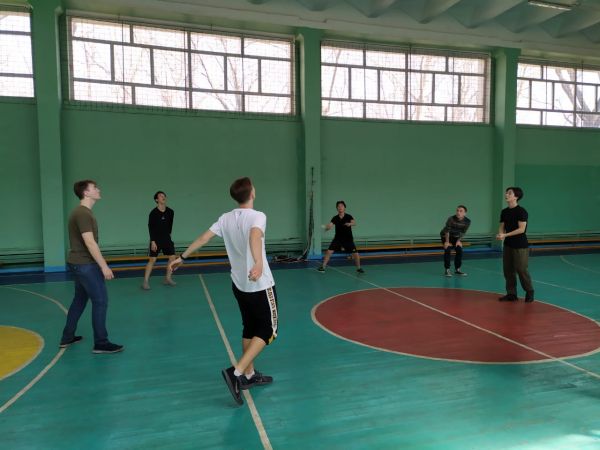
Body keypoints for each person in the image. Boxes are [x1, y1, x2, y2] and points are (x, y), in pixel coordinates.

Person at [168, 177, 277, 406]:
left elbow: (203, 238)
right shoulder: (258, 216)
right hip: (259, 284)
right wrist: (258, 263)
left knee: (249, 328)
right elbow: (254, 236)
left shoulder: (225, 218)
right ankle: (236, 372)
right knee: (268, 329)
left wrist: (182, 257)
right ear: (252, 193)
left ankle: (249, 375)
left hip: (239, 284)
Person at [59, 180, 124, 354]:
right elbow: (90, 242)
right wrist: (104, 266)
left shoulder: (81, 212)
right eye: (95, 188)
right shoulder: (83, 213)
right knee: (100, 301)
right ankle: (101, 343)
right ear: (86, 193)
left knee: (79, 300)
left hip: (78, 263)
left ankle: (67, 337)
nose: (98, 189)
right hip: (86, 265)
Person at [496, 187, 534, 302]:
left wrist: (505, 235)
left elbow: (521, 229)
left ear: (516, 196)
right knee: (508, 270)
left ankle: (529, 291)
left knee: (521, 269)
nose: (506, 194)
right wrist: (501, 234)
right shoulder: (504, 212)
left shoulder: (521, 211)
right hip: (508, 245)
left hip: (520, 245)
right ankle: (511, 294)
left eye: (509, 193)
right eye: (506, 193)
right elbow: (502, 226)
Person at [142, 191, 176, 290]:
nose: (163, 197)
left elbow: (170, 225)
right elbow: (151, 228)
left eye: (164, 196)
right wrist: (153, 241)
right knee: (152, 260)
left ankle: (168, 278)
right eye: (161, 196)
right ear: (157, 200)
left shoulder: (170, 211)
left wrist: (169, 236)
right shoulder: (153, 213)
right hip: (156, 239)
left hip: (167, 238)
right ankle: (145, 282)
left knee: (172, 258)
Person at [318, 201, 364, 273]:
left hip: (348, 239)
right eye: (338, 206)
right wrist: (327, 228)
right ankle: (323, 267)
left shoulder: (348, 216)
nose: (340, 207)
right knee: (329, 252)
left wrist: (350, 224)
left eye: (341, 206)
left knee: (356, 254)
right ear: (337, 208)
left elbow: (354, 223)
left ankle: (359, 268)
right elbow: (330, 225)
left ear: (344, 207)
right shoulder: (335, 218)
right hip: (338, 239)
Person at [440, 205, 471, 277]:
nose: (458, 212)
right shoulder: (451, 219)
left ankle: (457, 269)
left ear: (465, 213)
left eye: (461, 211)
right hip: (445, 235)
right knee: (447, 249)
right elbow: (447, 231)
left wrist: (458, 241)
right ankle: (447, 269)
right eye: (457, 210)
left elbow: (463, 232)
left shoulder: (467, 221)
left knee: (459, 250)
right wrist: (447, 242)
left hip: (455, 237)